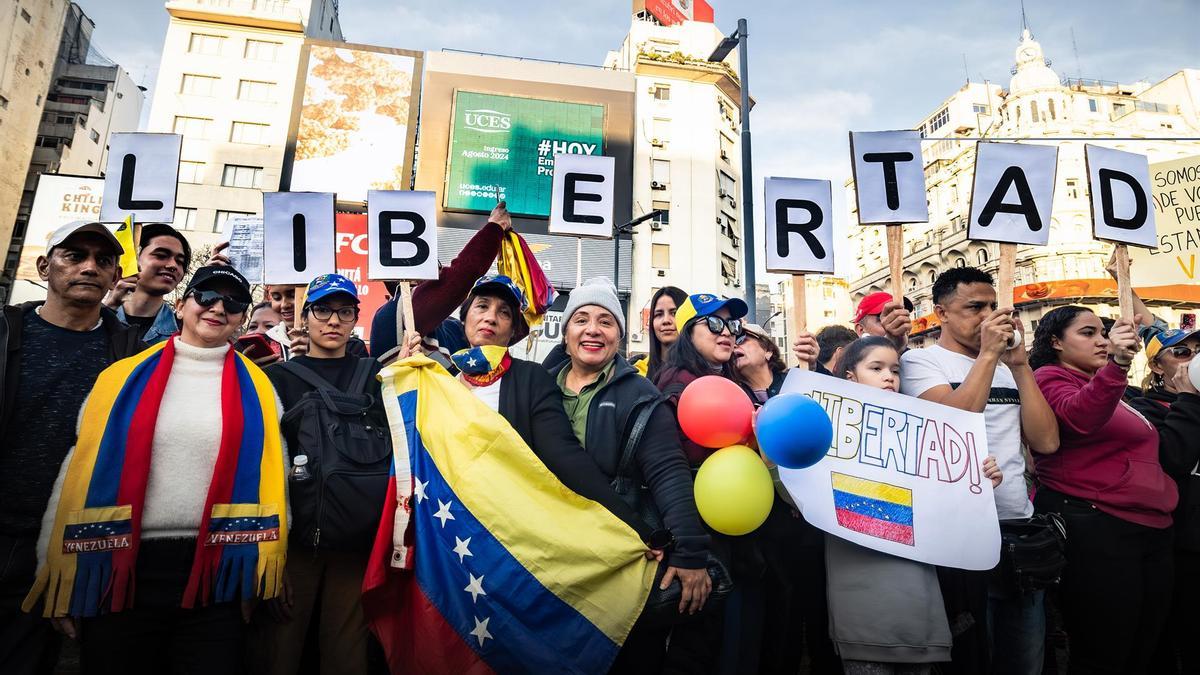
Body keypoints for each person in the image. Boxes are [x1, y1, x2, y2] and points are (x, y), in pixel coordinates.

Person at [27, 264, 289, 674]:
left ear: (241, 318)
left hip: (217, 569)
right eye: (206, 296)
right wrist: (51, 564)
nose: (218, 307)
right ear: (182, 305)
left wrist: (263, 564)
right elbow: (74, 472)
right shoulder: (120, 377)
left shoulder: (260, 387)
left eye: (233, 302)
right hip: (120, 564)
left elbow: (275, 478)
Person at [544, 277, 711, 672]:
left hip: (620, 561)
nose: (592, 330)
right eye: (581, 319)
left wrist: (689, 552)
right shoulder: (537, 386)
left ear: (619, 336)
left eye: (606, 321)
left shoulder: (639, 395)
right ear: (565, 331)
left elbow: (669, 474)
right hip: (548, 555)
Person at [899, 267, 1058, 675]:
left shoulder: (1008, 367)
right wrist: (989, 355)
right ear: (941, 313)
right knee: (971, 657)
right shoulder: (920, 360)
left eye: (993, 306)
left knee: (1025, 658)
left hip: (1017, 526)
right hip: (961, 534)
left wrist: (1020, 366)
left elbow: (1046, 442)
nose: (988, 316)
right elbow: (954, 426)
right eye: (974, 307)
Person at [0, 221, 142, 675]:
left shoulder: (128, 355)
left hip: (59, 546)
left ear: (116, 276)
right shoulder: (5, 333)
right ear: (45, 266)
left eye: (103, 260)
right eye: (74, 255)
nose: (89, 267)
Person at [253, 273, 407, 675]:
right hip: (296, 544)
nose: (333, 320)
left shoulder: (378, 376)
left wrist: (413, 371)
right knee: (279, 650)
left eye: (344, 311)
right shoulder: (276, 378)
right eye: (323, 309)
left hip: (358, 543)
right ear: (305, 317)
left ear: (356, 317)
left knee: (347, 655)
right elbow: (266, 464)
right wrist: (273, 553)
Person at [828, 336, 1003, 675]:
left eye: (895, 369)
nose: (889, 377)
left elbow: (945, 504)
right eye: (876, 368)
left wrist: (979, 481)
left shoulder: (923, 436)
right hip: (861, 602)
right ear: (850, 378)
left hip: (921, 604)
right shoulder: (831, 436)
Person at [1029, 307, 1177, 674]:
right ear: (1055, 342)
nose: (1101, 340)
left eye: (1104, 332)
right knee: (1106, 648)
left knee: (1146, 643)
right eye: (1088, 333)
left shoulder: (1110, 386)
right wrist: (1116, 366)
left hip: (1148, 526)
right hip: (1099, 525)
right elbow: (1080, 418)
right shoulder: (1048, 379)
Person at [451, 274, 650, 538]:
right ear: (464, 318)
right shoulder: (439, 379)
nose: (490, 317)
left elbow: (566, 459)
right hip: (447, 524)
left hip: (501, 532)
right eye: (482, 306)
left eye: (504, 313)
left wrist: (634, 526)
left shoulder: (531, 380)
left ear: (513, 332)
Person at [654, 292, 761, 674]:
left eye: (732, 325)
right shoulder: (677, 384)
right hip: (695, 536)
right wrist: (688, 550)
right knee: (693, 646)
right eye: (713, 323)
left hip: (730, 531)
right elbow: (669, 469)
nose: (727, 332)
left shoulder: (729, 383)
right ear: (687, 333)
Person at [732, 323, 840, 675]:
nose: (736, 344)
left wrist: (818, 366)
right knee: (781, 615)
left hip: (818, 522)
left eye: (744, 338)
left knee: (821, 608)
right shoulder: (731, 398)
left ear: (768, 350)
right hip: (768, 527)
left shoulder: (801, 382)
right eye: (731, 341)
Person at [370, 201, 512, 367]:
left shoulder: (452, 327)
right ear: (414, 281)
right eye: (436, 269)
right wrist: (494, 229)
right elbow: (463, 274)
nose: (441, 272)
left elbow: (505, 332)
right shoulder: (394, 315)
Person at [1132, 328, 1200, 673]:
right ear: (1157, 367)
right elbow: (1171, 459)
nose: (1194, 358)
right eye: (1182, 353)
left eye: (1198, 350)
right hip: (1182, 547)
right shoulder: (1144, 408)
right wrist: (1188, 400)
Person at [103, 223, 191, 344]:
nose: (173, 265)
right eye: (161, 256)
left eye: (180, 261)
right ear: (134, 257)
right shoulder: (91, 319)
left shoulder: (184, 334)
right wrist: (108, 310)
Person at [798, 291, 912, 367]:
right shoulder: (850, 366)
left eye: (903, 315)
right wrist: (812, 366)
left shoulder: (916, 361)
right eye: (883, 318)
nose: (896, 322)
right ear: (860, 329)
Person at [644, 286, 688, 381]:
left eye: (674, 313)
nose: (666, 321)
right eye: (659, 314)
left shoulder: (704, 372)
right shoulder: (638, 372)